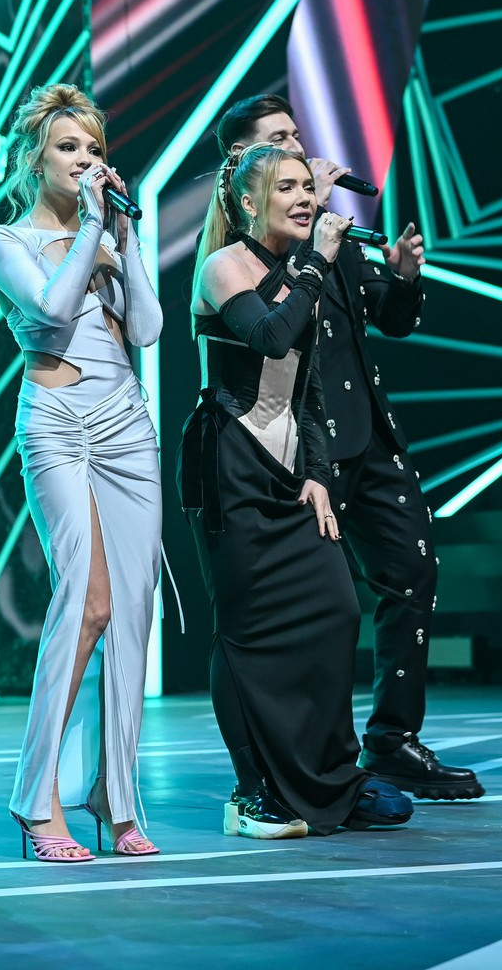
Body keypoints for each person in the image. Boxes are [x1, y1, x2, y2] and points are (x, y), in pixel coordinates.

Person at [211, 97, 482, 800]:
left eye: (298, 138)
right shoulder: (252, 255)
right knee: (319, 606)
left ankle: (393, 738)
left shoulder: (331, 238)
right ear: (244, 166)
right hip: (299, 446)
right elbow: (274, 330)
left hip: (369, 432)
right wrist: (315, 232)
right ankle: (306, 763)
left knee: (412, 573)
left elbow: (391, 318)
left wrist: (405, 277)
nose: (300, 150)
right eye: (280, 143)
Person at [183, 143, 414, 838]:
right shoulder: (224, 266)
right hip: (229, 463)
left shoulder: (301, 270)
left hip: (290, 467)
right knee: (246, 632)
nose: (306, 197)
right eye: (288, 187)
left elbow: (308, 390)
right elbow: (271, 338)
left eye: (306, 187)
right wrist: (315, 262)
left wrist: (317, 473)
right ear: (248, 202)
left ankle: (331, 777)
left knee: (337, 609)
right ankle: (253, 791)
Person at [0, 85, 167, 862]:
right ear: (35, 159)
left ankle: (115, 796)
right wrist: (92, 229)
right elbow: (52, 314)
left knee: (131, 612)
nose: (86, 160)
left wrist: (126, 237)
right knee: (85, 603)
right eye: (69, 148)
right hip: (57, 425)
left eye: (94, 149)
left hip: (128, 424)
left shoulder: (107, 237)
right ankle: (37, 798)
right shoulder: (5, 240)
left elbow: (148, 330)